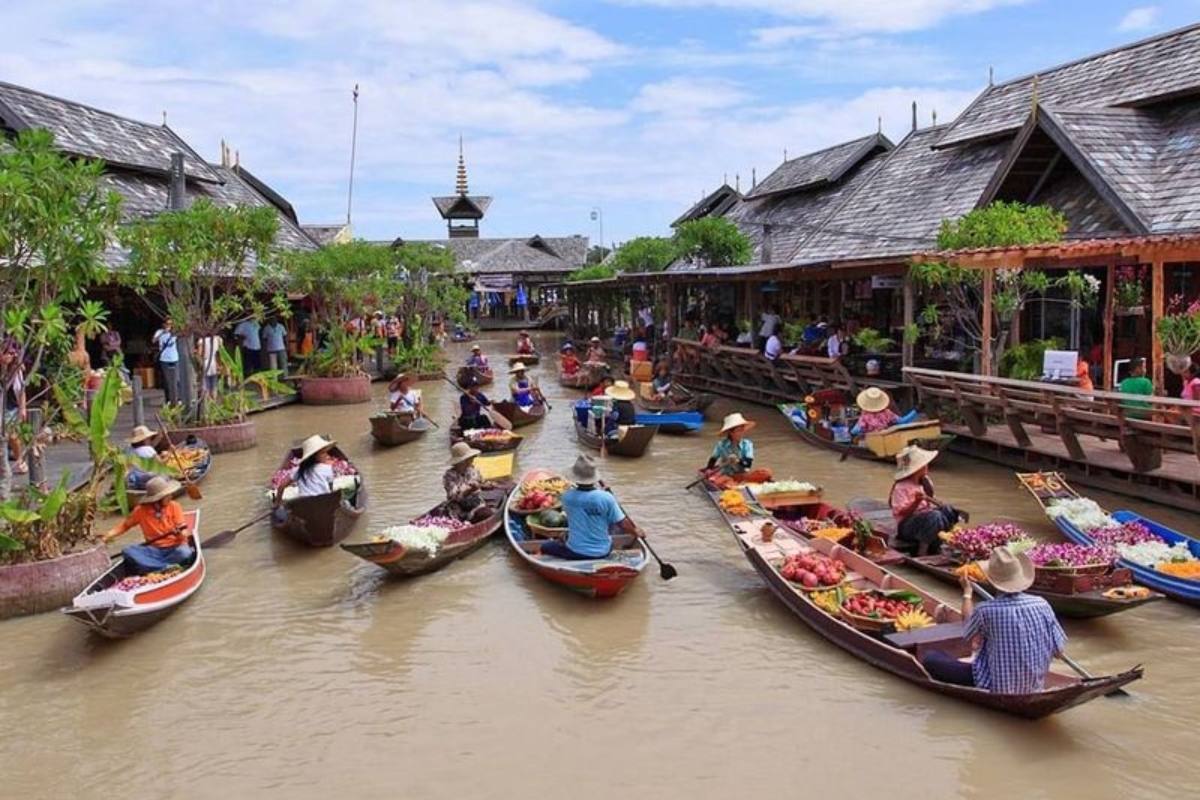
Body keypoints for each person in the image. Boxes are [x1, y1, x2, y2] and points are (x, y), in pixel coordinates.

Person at [922, 547, 1067, 694]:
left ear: (991, 580)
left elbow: (967, 633)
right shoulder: (1042, 604)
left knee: (930, 658)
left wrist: (967, 593)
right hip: (1035, 685)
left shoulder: (986, 610)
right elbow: (1058, 653)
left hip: (994, 685)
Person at [539, 455, 645, 560]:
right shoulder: (607, 498)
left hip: (575, 551)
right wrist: (636, 532)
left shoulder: (567, 497)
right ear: (594, 478)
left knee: (545, 547)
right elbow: (623, 523)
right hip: (603, 552)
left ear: (575, 478)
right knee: (609, 520)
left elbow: (577, 509)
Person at [101, 476, 193, 575]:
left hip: (175, 548)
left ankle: (152, 566)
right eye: (167, 494)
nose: (171, 496)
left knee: (184, 553)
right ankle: (164, 567)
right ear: (158, 498)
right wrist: (108, 535)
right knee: (128, 551)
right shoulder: (140, 511)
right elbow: (124, 526)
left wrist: (178, 534)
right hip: (154, 550)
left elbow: (184, 534)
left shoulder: (174, 506)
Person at [888, 445, 966, 556]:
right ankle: (922, 551)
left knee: (947, 510)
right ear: (917, 468)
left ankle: (939, 543)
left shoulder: (925, 482)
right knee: (934, 516)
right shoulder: (901, 487)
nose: (927, 466)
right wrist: (916, 502)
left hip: (925, 521)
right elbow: (901, 512)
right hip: (906, 527)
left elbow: (931, 503)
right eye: (924, 465)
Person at [442, 442, 498, 523]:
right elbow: (455, 497)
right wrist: (470, 490)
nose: (472, 460)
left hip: (476, 504)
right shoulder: (449, 475)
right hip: (458, 508)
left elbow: (484, 483)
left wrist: (489, 485)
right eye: (470, 458)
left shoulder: (473, 470)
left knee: (489, 513)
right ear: (462, 461)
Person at [273, 435, 338, 503]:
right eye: (323, 453)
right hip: (323, 502)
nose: (327, 455)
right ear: (315, 456)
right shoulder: (327, 468)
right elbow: (330, 488)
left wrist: (278, 503)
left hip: (304, 504)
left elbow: (281, 487)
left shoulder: (298, 470)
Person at [706, 412, 756, 477]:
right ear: (730, 432)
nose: (741, 433)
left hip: (742, 474)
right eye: (738, 431)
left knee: (765, 472)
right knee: (723, 482)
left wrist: (738, 461)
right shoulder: (721, 445)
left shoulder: (747, 444)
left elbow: (748, 464)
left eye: (742, 430)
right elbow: (713, 459)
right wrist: (709, 469)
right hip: (726, 474)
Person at [3, 348, 28, 475]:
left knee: (13, 436)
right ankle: (4, 466)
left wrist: (23, 408)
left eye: (11, 354)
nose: (9, 356)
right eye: (6, 353)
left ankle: (20, 460)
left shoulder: (15, 370)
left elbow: (21, 390)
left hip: (10, 406)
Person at [152, 318, 180, 406]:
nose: (169, 326)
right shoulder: (159, 332)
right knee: (167, 380)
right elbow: (153, 340)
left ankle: (177, 398)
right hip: (164, 359)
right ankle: (168, 399)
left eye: (171, 324)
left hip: (175, 358)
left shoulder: (174, 333)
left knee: (177, 380)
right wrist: (162, 333)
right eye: (167, 324)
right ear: (164, 324)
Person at [125, 425, 163, 490]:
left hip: (135, 481)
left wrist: (159, 437)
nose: (150, 440)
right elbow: (161, 464)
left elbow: (148, 449)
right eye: (149, 438)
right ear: (145, 440)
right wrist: (170, 453)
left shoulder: (130, 450)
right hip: (148, 481)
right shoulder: (148, 449)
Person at [195, 332, 224, 400]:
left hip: (206, 363)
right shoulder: (218, 339)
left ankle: (206, 405)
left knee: (205, 387)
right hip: (216, 363)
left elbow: (199, 354)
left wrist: (200, 363)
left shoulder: (202, 341)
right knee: (214, 386)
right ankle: (213, 405)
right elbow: (222, 353)